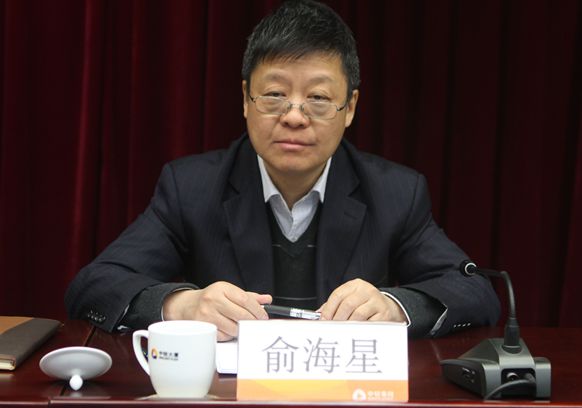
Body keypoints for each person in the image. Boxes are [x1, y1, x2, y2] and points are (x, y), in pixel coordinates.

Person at [65, 0, 500, 341]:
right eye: (274, 94)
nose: (294, 116)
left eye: (318, 98)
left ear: (350, 107)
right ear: (245, 99)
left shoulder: (395, 193)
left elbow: (476, 291)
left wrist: (394, 307)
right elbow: (94, 285)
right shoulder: (192, 188)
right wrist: (182, 306)